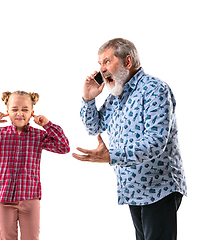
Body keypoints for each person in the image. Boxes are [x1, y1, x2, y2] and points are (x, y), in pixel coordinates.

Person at [72, 38, 187, 240]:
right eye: (99, 63)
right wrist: (88, 99)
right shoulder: (116, 96)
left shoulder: (154, 89)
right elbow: (94, 127)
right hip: (133, 189)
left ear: (128, 62)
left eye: (106, 61)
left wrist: (111, 155)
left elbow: (155, 142)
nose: (101, 69)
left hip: (158, 188)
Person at [0, 91, 70, 240]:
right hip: (3, 197)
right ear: (7, 112)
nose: (19, 113)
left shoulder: (39, 136)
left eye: (25, 110)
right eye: (14, 109)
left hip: (30, 196)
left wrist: (48, 125)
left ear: (32, 113)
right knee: (7, 237)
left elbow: (64, 147)